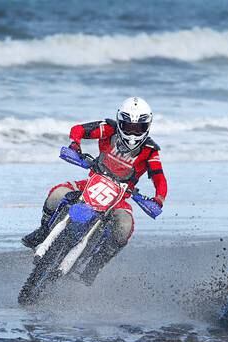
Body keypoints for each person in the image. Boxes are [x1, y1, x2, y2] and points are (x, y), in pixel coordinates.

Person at [22, 97, 167, 284]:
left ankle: (94, 266)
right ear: (120, 121)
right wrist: (75, 144)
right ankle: (43, 231)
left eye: (138, 128)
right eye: (128, 126)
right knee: (56, 194)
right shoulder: (109, 129)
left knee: (125, 226)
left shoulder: (150, 151)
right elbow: (78, 129)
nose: (132, 132)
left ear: (147, 125)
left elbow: (160, 179)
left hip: (119, 197)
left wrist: (159, 199)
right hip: (91, 183)